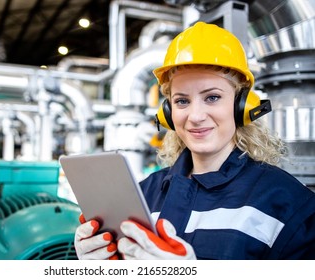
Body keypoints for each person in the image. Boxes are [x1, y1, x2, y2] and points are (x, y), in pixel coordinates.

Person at [74, 22, 315, 260]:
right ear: (167, 113)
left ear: (242, 105)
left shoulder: (286, 201)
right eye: (182, 101)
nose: (196, 117)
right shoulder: (145, 193)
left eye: (212, 97)